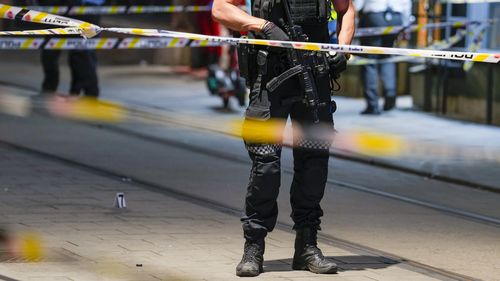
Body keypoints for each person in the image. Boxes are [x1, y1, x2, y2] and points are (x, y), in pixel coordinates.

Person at [212, 0, 355, 277]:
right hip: (270, 76)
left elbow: (347, 9)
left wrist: (343, 49)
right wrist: (262, 26)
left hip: (315, 74)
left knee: (314, 161)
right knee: (265, 163)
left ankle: (307, 246)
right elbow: (220, 8)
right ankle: (254, 247)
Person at [354, 0, 412, 115]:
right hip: (396, 18)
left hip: (373, 18)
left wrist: (354, 24)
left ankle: (372, 104)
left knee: (369, 61)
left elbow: (357, 5)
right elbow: (406, 5)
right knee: (387, 57)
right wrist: (406, 25)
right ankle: (390, 96)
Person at [39, 0, 103, 98]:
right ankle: (51, 89)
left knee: (82, 55)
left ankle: (88, 94)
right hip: (61, 8)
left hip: (86, 8)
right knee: (50, 50)